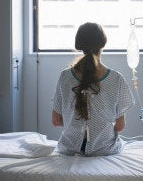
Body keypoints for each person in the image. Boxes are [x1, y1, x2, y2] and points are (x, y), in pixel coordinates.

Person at [52, 22, 135, 156]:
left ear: (79, 44)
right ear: (103, 44)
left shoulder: (65, 76)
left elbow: (56, 121)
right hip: (104, 150)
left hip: (69, 149)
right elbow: (120, 126)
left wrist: (73, 124)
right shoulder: (116, 79)